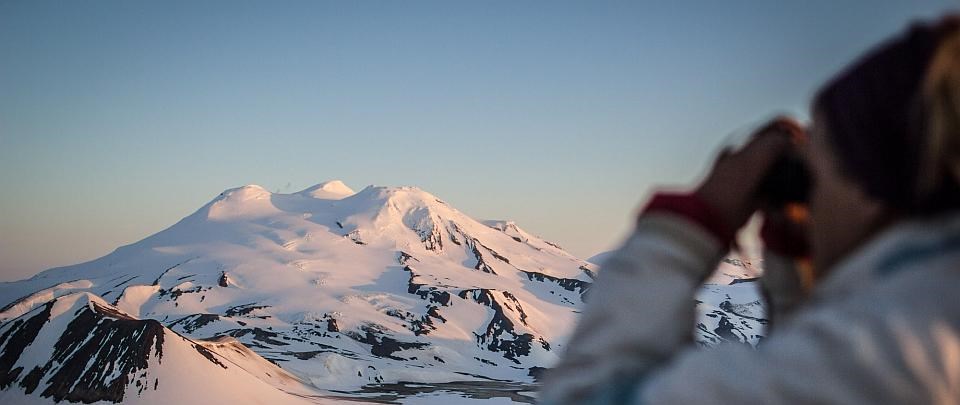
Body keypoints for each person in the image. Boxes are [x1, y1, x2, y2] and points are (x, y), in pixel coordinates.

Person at [539, 16, 960, 404]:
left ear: (868, 191)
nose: (810, 194)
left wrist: (688, 223)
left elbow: (586, 395)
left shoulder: (894, 349)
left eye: (816, 170)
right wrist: (795, 273)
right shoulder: (922, 318)